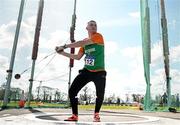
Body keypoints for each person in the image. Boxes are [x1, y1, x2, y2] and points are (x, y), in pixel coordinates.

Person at [55, 20, 106, 122]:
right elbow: (78, 57)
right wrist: (62, 53)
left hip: (99, 71)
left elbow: (82, 43)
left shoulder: (98, 36)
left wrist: (64, 46)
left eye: (95, 25)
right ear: (86, 28)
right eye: (91, 25)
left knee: (100, 94)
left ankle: (96, 114)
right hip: (87, 71)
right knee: (72, 91)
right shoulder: (84, 42)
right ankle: (75, 115)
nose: (94, 26)